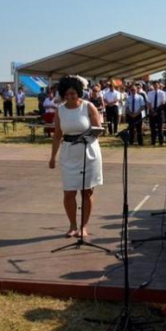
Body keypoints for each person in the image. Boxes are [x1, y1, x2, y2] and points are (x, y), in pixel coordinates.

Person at [49, 76, 103, 238]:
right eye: (67, 94)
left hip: (89, 152)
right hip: (68, 154)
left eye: (73, 93)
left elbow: (98, 130)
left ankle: (83, 226)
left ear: (79, 93)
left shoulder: (88, 106)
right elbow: (57, 135)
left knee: (87, 191)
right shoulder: (60, 110)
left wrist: (87, 137)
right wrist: (52, 157)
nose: (70, 97)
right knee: (69, 192)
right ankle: (72, 226)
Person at [147, 81, 166, 145]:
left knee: (160, 128)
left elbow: (163, 102)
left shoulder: (162, 93)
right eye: (154, 85)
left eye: (156, 85)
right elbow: (149, 103)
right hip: (152, 112)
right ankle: (153, 141)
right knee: (152, 128)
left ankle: (161, 142)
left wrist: (157, 111)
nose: (155, 86)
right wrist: (152, 111)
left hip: (159, 112)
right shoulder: (150, 93)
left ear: (159, 85)